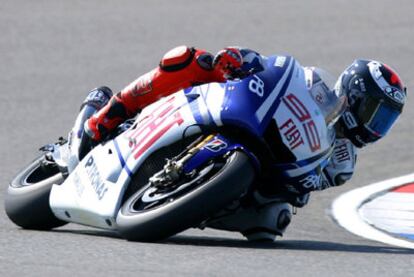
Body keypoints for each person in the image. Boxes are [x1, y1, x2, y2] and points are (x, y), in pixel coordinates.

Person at [70, 46, 406, 240]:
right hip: (242, 115)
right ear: (353, 95)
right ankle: (106, 118)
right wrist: (242, 59)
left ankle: (188, 200)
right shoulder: (315, 82)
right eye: (374, 112)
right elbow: (274, 75)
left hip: (261, 177)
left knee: (272, 225)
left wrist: (298, 188)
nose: (374, 125)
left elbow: (306, 191)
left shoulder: (344, 163)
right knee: (191, 58)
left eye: (384, 121)